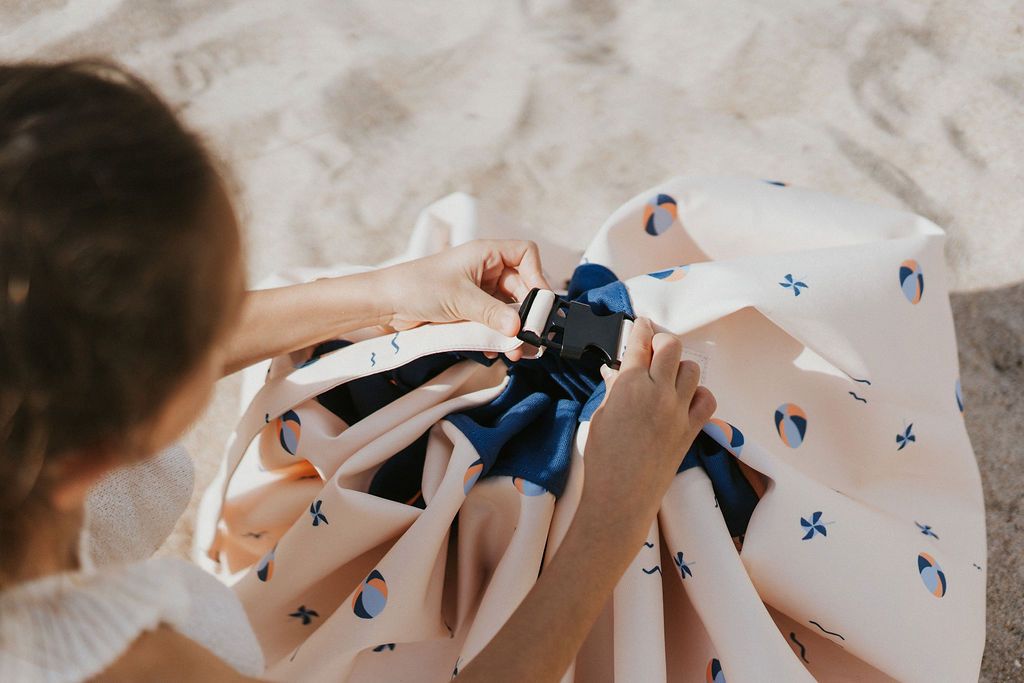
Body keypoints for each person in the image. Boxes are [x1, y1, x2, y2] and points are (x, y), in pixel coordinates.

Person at [0, 60, 715, 682]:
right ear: (103, 439)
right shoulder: (115, 665)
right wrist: (614, 515)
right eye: (219, 304)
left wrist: (387, 292)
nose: (235, 312)